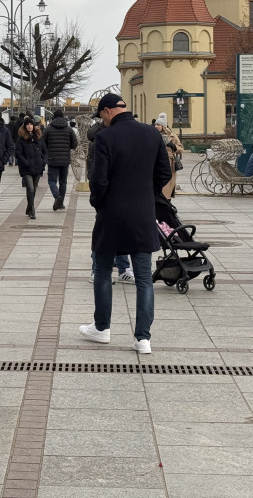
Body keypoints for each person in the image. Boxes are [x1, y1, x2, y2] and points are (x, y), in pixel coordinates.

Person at [79, 93, 172, 354]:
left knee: (102, 270)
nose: (102, 121)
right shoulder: (152, 134)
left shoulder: (104, 138)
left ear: (108, 111)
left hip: (112, 214)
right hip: (142, 213)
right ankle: (143, 339)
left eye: (101, 116)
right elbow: (164, 172)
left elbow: (98, 180)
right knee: (143, 278)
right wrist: (146, 194)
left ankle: (102, 329)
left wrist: (99, 203)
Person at [86, 115, 133, 283]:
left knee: (121, 230)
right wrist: (98, 196)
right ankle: (97, 270)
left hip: (120, 192)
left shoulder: (115, 138)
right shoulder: (100, 141)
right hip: (105, 194)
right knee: (103, 232)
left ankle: (123, 269)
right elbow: (94, 171)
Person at [44, 108, 78, 211]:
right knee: (63, 182)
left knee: (52, 180)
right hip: (65, 160)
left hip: (52, 159)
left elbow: (43, 143)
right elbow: (74, 144)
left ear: (53, 118)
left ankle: (57, 195)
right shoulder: (69, 129)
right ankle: (61, 203)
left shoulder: (48, 129)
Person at [15, 117, 47, 219]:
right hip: (26, 168)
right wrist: (26, 162)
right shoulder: (21, 139)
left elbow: (45, 151)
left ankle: (29, 207)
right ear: (24, 126)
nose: (29, 126)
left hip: (38, 166)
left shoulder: (39, 137)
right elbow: (18, 153)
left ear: (33, 126)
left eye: (31, 124)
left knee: (34, 189)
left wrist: (43, 161)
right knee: (30, 188)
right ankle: (32, 209)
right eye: (27, 124)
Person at [154, 117, 183, 199]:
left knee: (167, 187)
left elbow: (181, 149)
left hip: (170, 163)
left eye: (158, 124)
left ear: (163, 126)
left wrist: (173, 146)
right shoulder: (153, 135)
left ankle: (167, 202)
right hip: (156, 162)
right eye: (155, 124)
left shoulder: (172, 136)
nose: (156, 126)